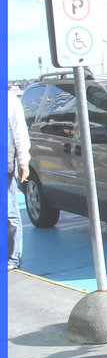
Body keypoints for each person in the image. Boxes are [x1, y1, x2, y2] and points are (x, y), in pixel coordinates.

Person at [8, 90, 30, 271]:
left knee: (9, 212)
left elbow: (20, 133)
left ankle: (13, 258)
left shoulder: (9, 100)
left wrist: (23, 162)